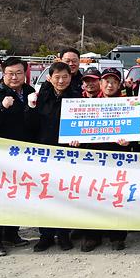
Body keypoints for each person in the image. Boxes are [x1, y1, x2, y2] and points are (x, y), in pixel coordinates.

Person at [0, 57, 36, 255]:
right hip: (0, 155)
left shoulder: (30, 92)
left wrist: (33, 107)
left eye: (19, 73)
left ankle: (11, 233)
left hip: (23, 154)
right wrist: (2, 106)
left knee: (16, 195)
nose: (15, 77)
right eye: (10, 73)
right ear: (4, 75)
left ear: (25, 74)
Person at [25, 61, 81, 252]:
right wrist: (31, 107)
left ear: (70, 77)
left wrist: (77, 139)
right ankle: (46, 235)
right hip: (45, 152)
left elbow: (83, 125)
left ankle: (63, 234)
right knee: (45, 193)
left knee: (64, 193)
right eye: (57, 77)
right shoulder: (41, 96)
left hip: (67, 153)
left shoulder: (77, 96)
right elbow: (31, 125)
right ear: (49, 78)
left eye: (65, 76)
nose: (61, 80)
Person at [80, 67, 133, 252]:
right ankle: (91, 235)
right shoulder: (88, 104)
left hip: (118, 159)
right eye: (106, 81)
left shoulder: (128, 104)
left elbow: (136, 134)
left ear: (119, 85)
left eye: (114, 82)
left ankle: (117, 236)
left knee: (117, 197)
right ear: (100, 84)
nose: (110, 85)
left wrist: (129, 142)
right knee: (93, 195)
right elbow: (78, 129)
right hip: (93, 159)